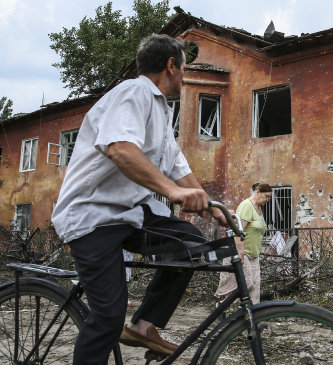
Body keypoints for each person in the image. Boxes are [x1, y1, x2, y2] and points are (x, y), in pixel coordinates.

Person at [51, 34, 227, 365]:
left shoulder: (160, 111)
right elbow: (120, 148)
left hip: (130, 214)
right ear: (171, 66)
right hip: (93, 216)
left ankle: (143, 326)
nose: (186, 77)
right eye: (184, 67)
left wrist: (214, 208)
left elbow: (177, 164)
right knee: (107, 316)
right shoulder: (133, 93)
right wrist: (173, 192)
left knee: (189, 242)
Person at [215, 183, 272, 305]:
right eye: (266, 196)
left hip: (254, 254)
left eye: (269, 197)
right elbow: (238, 231)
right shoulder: (247, 206)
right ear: (257, 192)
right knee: (247, 284)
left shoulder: (259, 209)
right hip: (242, 253)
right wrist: (240, 252)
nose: (267, 200)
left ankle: (253, 316)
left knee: (255, 288)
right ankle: (222, 305)